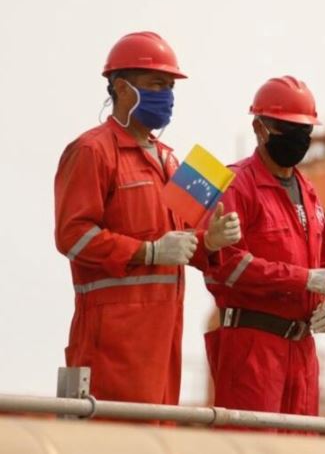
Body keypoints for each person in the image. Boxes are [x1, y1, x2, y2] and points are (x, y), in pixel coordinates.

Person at [54, 31, 241, 406]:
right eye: (157, 84)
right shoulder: (91, 150)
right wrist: (149, 252)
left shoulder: (172, 160)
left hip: (165, 335)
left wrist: (210, 241)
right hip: (111, 340)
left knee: (157, 431)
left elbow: (182, 244)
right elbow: (72, 235)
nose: (167, 95)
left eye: (170, 86)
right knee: (117, 431)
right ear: (122, 88)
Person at [204, 76, 325, 418]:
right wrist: (302, 279)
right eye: (289, 128)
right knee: (253, 441)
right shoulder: (234, 185)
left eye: (305, 130)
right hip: (252, 346)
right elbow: (227, 266)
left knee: (300, 442)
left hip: (302, 350)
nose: (299, 138)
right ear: (259, 128)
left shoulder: (309, 192)